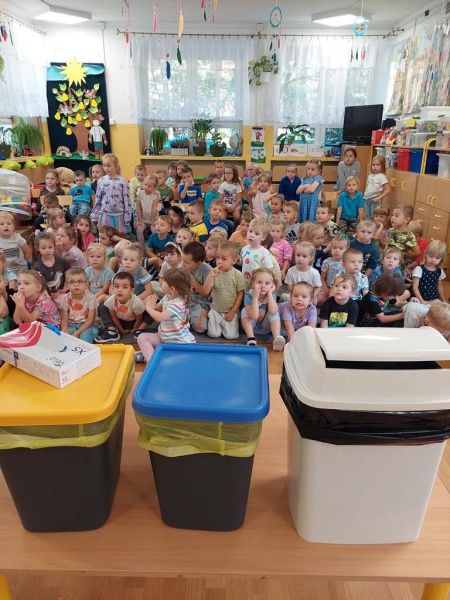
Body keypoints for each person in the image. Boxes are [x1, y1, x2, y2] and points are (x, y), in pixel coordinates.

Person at [135, 268, 195, 362]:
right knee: (142, 337)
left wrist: (149, 308)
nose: (161, 283)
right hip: (164, 337)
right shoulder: (167, 297)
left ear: (172, 289)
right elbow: (157, 308)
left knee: (168, 362)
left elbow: (159, 317)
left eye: (164, 282)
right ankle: (151, 359)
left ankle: (151, 359)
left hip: (178, 343)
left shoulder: (178, 304)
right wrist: (150, 303)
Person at [203, 241, 246, 340]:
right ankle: (213, 318)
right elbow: (205, 291)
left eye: (224, 259)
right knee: (213, 334)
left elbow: (241, 294)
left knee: (231, 336)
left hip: (230, 311)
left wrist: (233, 311)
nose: (219, 261)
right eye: (218, 257)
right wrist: (211, 277)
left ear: (234, 260)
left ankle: (226, 324)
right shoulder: (213, 272)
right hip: (216, 310)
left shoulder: (238, 275)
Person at [240, 268, 285, 351]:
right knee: (244, 311)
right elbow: (254, 316)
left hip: (266, 327)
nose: (263, 286)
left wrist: (270, 294)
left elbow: (273, 311)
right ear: (253, 284)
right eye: (259, 282)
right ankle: (251, 339)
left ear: (272, 286)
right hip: (252, 326)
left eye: (267, 283)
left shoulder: (271, 294)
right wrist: (255, 297)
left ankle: (276, 338)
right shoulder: (249, 294)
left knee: (274, 312)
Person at [95, 272, 145, 343]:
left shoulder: (136, 302)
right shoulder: (112, 299)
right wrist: (121, 330)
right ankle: (112, 331)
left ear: (132, 290)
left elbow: (139, 319)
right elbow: (113, 317)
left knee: (149, 311)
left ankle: (139, 330)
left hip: (133, 322)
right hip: (120, 321)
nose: (119, 290)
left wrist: (134, 329)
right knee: (103, 307)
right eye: (116, 286)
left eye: (125, 287)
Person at [90, 153, 131, 235]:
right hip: (104, 213)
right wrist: (95, 214)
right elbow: (98, 198)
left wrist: (127, 215)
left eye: (109, 166)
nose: (106, 168)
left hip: (119, 214)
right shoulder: (101, 180)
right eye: (104, 166)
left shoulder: (123, 181)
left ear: (115, 165)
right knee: (105, 236)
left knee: (118, 236)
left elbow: (127, 200)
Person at [60, 268, 99, 343]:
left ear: (87, 284)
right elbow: (64, 319)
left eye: (80, 281)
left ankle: (85, 348)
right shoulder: (65, 298)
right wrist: (64, 332)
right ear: (66, 285)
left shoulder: (91, 298)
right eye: (72, 282)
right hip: (71, 324)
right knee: (66, 338)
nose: (76, 285)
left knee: (84, 337)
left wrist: (77, 333)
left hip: (88, 325)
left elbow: (90, 320)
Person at [181, 241, 212, 333]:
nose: (183, 264)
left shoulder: (207, 270)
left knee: (201, 328)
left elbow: (206, 294)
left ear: (198, 263)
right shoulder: (181, 266)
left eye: (187, 262)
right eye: (182, 260)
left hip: (199, 303)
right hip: (182, 301)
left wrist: (191, 280)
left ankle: (189, 317)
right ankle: (186, 317)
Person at [33, 231, 70, 300]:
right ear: (37, 248)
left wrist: (65, 288)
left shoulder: (61, 261)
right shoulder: (37, 267)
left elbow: (69, 274)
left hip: (63, 294)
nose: (47, 250)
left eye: (50, 247)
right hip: (47, 298)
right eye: (43, 248)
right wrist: (49, 295)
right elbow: (39, 285)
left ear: (54, 247)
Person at [240, 218, 274, 284]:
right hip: (245, 282)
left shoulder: (264, 252)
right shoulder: (244, 249)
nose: (251, 235)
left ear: (263, 237)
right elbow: (242, 263)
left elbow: (269, 270)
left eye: (256, 233)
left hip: (258, 285)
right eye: (250, 231)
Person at [0, 210, 32, 275]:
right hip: (5, 270)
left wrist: (27, 262)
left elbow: (27, 252)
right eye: (2, 224)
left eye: (9, 224)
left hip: (20, 268)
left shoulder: (18, 238)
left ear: (13, 227)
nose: (6, 226)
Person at [136, 175, 161, 246]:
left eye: (149, 186)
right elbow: (138, 207)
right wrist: (139, 220)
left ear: (154, 188)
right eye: (145, 184)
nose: (146, 187)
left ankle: (154, 245)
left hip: (154, 218)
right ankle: (141, 245)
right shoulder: (140, 193)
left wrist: (153, 221)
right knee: (139, 229)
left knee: (155, 230)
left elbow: (154, 208)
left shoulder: (156, 194)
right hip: (143, 218)